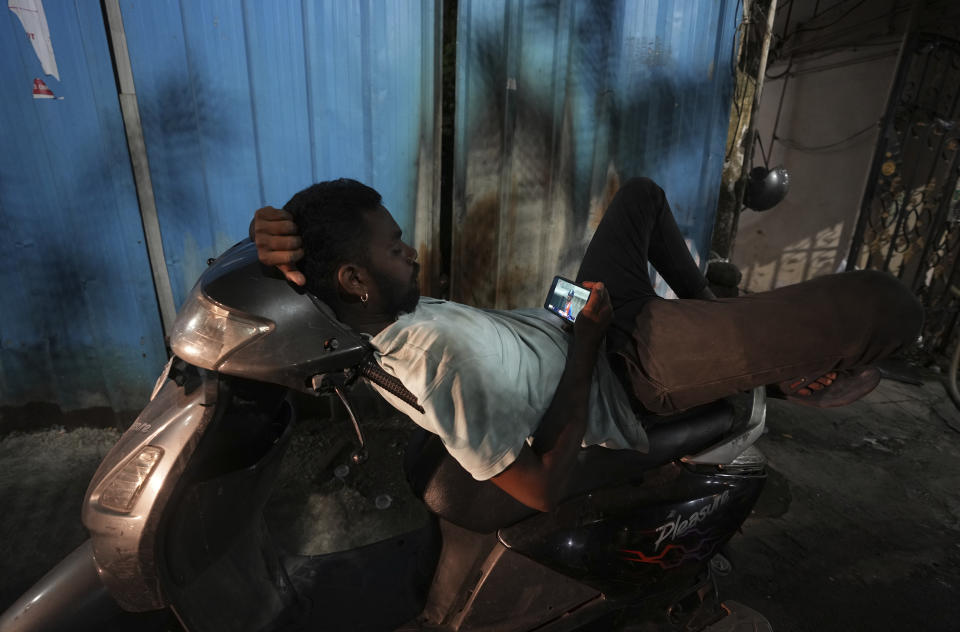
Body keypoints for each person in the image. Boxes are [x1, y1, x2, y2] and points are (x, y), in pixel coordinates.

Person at [252, 177, 923, 512]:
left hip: (583, 320)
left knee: (640, 197)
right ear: (354, 280)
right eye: (396, 248)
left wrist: (271, 236)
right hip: (630, 365)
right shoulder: (436, 357)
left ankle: (718, 324)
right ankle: (772, 366)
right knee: (884, 304)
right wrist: (589, 342)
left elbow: (293, 267)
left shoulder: (355, 309)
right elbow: (541, 487)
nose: (413, 253)